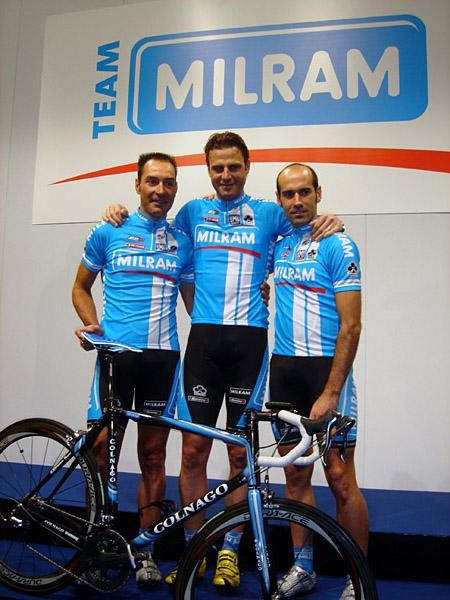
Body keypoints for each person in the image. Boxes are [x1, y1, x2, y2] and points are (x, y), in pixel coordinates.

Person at [103, 132, 343, 590]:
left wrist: (331, 220)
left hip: (249, 347)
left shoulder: (270, 213)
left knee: (239, 452)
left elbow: (304, 223)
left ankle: (230, 552)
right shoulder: (192, 212)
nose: (226, 175)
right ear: (208, 170)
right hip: (203, 346)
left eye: (234, 166)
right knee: (193, 451)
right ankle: (195, 551)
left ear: (247, 167)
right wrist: (114, 213)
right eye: (218, 168)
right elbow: (152, 222)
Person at [72, 152, 194, 589]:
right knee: (100, 450)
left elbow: (197, 303)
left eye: (168, 182)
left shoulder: (183, 241)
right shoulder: (110, 229)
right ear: (137, 184)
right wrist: (93, 326)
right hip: (117, 358)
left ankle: (145, 551)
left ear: (175, 187)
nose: (160, 190)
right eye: (152, 181)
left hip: (161, 361)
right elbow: (80, 287)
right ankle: (93, 545)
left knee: (154, 457)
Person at [269, 163, 369, 600]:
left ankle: (357, 576)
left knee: (340, 478)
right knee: (294, 476)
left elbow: (352, 326)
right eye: (288, 194)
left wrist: (331, 392)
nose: (297, 201)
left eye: (304, 192)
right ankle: (303, 567)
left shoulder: (338, 243)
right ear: (279, 199)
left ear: (318, 193)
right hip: (285, 372)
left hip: (326, 374)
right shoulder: (278, 244)